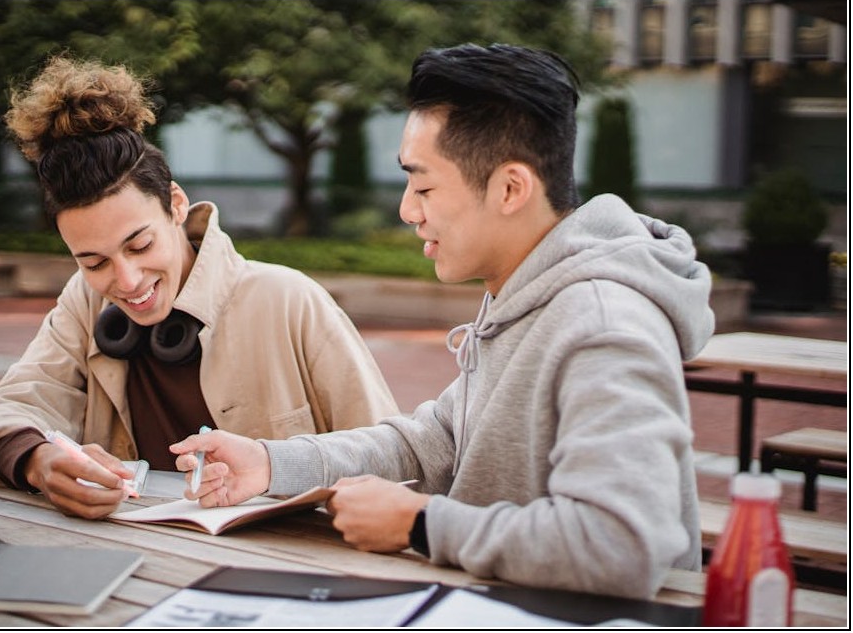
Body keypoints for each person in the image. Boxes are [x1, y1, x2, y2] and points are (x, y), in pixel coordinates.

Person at [170, 43, 716, 600]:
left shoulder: (603, 323)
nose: (408, 209)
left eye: (424, 186)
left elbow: (622, 547)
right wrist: (269, 463)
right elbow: (432, 444)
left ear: (510, 188)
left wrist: (421, 524)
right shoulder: (525, 294)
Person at [0, 56, 399, 520]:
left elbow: (391, 455)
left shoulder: (290, 299)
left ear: (176, 204)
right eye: (93, 261)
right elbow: (8, 408)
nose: (126, 282)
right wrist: (37, 461)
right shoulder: (85, 300)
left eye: (140, 244)